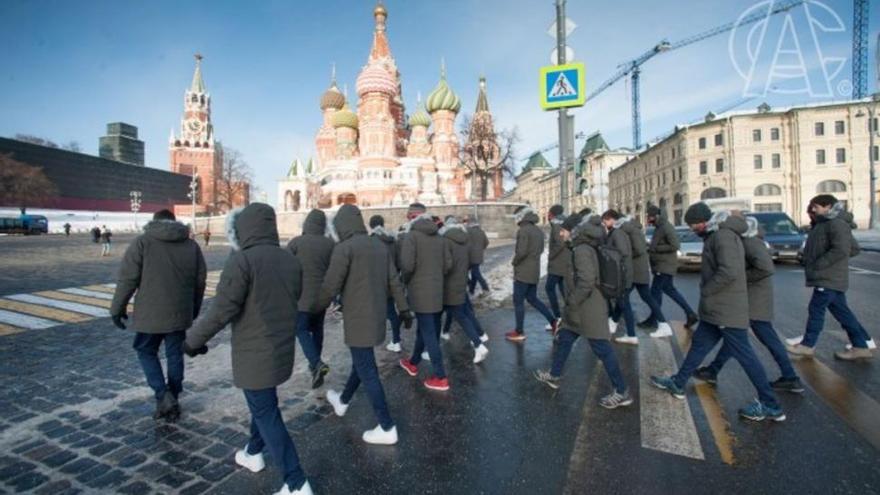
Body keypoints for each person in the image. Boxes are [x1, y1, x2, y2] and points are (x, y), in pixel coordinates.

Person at [184, 203, 313, 495]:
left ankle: (296, 483)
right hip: (281, 348)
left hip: (255, 352)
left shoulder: (242, 261)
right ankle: (253, 452)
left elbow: (221, 309)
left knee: (266, 412)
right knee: (264, 404)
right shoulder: (290, 260)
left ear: (243, 228)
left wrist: (192, 340)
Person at [651, 204, 785, 422]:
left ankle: (771, 404)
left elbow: (729, 271)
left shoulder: (723, 237)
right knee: (699, 346)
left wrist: (708, 289)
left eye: (694, 224)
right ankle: (678, 382)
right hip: (717, 309)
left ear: (705, 221)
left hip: (726, 307)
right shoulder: (718, 236)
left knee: (746, 356)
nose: (693, 228)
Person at [320, 205, 413, 445]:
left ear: (341, 226)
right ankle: (343, 401)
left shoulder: (344, 249)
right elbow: (394, 281)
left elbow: (330, 286)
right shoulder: (379, 246)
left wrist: (312, 310)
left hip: (357, 319)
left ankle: (387, 426)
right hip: (376, 316)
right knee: (362, 363)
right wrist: (404, 308)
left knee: (367, 369)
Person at [109, 209, 207, 422]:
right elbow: (200, 282)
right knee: (175, 354)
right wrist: (194, 309)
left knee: (145, 350)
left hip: (149, 313)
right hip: (180, 313)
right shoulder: (191, 245)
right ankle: (174, 396)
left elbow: (128, 279)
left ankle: (163, 395)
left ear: (154, 222)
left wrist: (117, 308)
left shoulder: (142, 242)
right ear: (175, 223)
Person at [534, 214, 633, 409]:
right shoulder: (585, 246)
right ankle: (554, 374)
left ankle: (621, 391)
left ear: (572, 231)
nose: (560, 234)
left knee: (602, 349)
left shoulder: (581, 249)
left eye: (563, 230)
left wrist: (572, 300)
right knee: (565, 338)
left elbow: (587, 281)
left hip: (588, 307)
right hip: (581, 308)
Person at [695, 216, 804, 393]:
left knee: (764, 338)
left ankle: (790, 377)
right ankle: (713, 370)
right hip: (747, 297)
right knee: (736, 338)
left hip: (754, 299)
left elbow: (766, 268)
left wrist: (741, 278)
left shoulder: (751, 242)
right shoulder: (742, 240)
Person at [787, 195, 874, 360]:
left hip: (827, 277)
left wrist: (821, 263)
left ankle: (807, 345)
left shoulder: (836, 224)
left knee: (816, 311)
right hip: (829, 277)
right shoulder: (824, 223)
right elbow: (853, 248)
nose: (813, 209)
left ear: (828, 207)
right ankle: (860, 346)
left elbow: (842, 250)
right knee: (843, 314)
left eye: (816, 206)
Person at [398, 208, 453, 391]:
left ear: (411, 218)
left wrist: (406, 281)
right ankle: (413, 362)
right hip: (438, 291)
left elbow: (406, 266)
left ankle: (440, 376)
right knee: (425, 328)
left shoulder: (411, 236)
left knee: (429, 334)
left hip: (419, 292)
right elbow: (448, 265)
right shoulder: (440, 237)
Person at [287, 209, 335, 388]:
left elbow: (285, 268)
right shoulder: (330, 244)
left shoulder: (296, 243)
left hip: (301, 298)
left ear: (306, 224)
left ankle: (316, 363)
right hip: (322, 297)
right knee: (317, 330)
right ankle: (314, 366)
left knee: (300, 329)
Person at [439, 216, 490, 363]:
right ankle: (480, 335)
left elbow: (446, 265)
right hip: (461, 281)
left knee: (460, 315)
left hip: (449, 284)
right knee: (464, 312)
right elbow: (468, 261)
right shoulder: (464, 239)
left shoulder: (446, 241)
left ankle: (479, 345)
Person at [642, 205, 698, 336]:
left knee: (655, 294)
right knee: (668, 291)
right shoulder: (659, 227)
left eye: (650, 216)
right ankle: (689, 313)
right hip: (661, 265)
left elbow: (675, 245)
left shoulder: (665, 227)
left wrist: (655, 249)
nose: (648, 219)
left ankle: (655, 320)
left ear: (656, 216)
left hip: (664, 266)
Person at [507, 206, 557, 342]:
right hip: (534, 269)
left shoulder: (523, 231)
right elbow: (540, 250)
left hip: (523, 271)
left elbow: (521, 252)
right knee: (532, 299)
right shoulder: (538, 230)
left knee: (518, 301)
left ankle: (519, 331)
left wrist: (514, 262)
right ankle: (553, 321)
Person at [618, 215, 673, 339]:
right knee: (642, 297)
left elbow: (639, 249)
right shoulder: (634, 230)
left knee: (624, 297)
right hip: (638, 270)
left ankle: (631, 333)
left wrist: (625, 256)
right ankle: (663, 325)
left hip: (636, 271)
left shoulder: (632, 231)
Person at [369, 214, 404, 353]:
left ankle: (377, 341)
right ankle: (396, 340)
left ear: (371, 226)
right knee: (391, 312)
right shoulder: (392, 240)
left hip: (376, 284)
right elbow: (398, 262)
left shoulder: (371, 241)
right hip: (391, 282)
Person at [602, 209, 637, 345]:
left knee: (625, 304)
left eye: (605, 220)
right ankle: (613, 323)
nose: (604, 223)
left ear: (612, 219)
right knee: (622, 303)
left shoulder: (617, 233)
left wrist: (607, 253)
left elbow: (622, 252)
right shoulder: (617, 232)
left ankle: (631, 334)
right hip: (622, 273)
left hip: (622, 274)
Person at [545, 205, 569, 330]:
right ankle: (569, 316)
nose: (547, 215)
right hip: (563, 263)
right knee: (563, 289)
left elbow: (559, 244)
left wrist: (551, 256)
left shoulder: (557, 225)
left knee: (549, 288)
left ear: (552, 214)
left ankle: (558, 317)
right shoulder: (564, 223)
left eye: (549, 213)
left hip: (557, 264)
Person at [464, 215, 490, 295]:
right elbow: (486, 242)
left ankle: (485, 287)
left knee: (467, 272)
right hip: (479, 256)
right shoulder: (481, 231)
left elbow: (464, 242)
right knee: (474, 273)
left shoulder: (467, 231)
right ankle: (472, 290)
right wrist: (480, 249)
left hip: (469, 256)